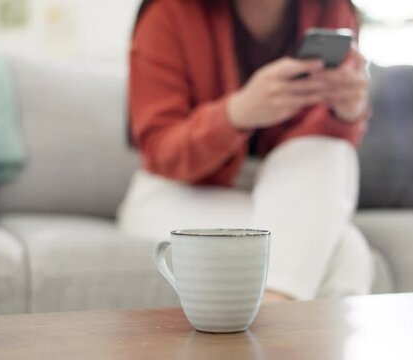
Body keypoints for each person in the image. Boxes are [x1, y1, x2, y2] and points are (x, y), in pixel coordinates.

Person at [118, 0, 374, 301]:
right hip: (177, 191)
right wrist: (235, 114)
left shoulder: (331, 8)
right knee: (346, 250)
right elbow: (159, 148)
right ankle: (274, 323)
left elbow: (320, 158)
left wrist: (346, 112)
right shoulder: (168, 11)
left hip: (280, 192)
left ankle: (267, 324)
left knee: (329, 151)